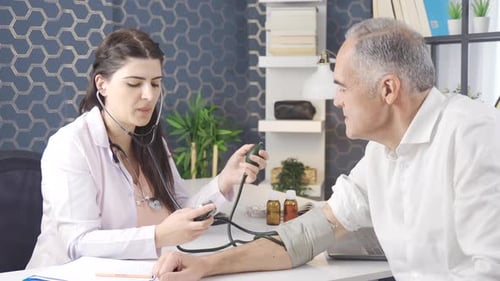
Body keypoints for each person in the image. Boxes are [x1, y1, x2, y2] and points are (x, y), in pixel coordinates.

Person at [152, 18, 500, 280]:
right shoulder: (381, 152)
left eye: (343, 87)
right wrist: (206, 265)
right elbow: (313, 231)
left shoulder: (473, 135)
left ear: (388, 90)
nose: (337, 101)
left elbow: (490, 269)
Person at [26, 28, 268, 268]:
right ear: (102, 84)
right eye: (134, 83)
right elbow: (78, 243)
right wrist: (158, 235)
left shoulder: (151, 142)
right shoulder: (70, 146)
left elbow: (181, 210)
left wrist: (225, 181)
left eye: (155, 83)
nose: (149, 95)